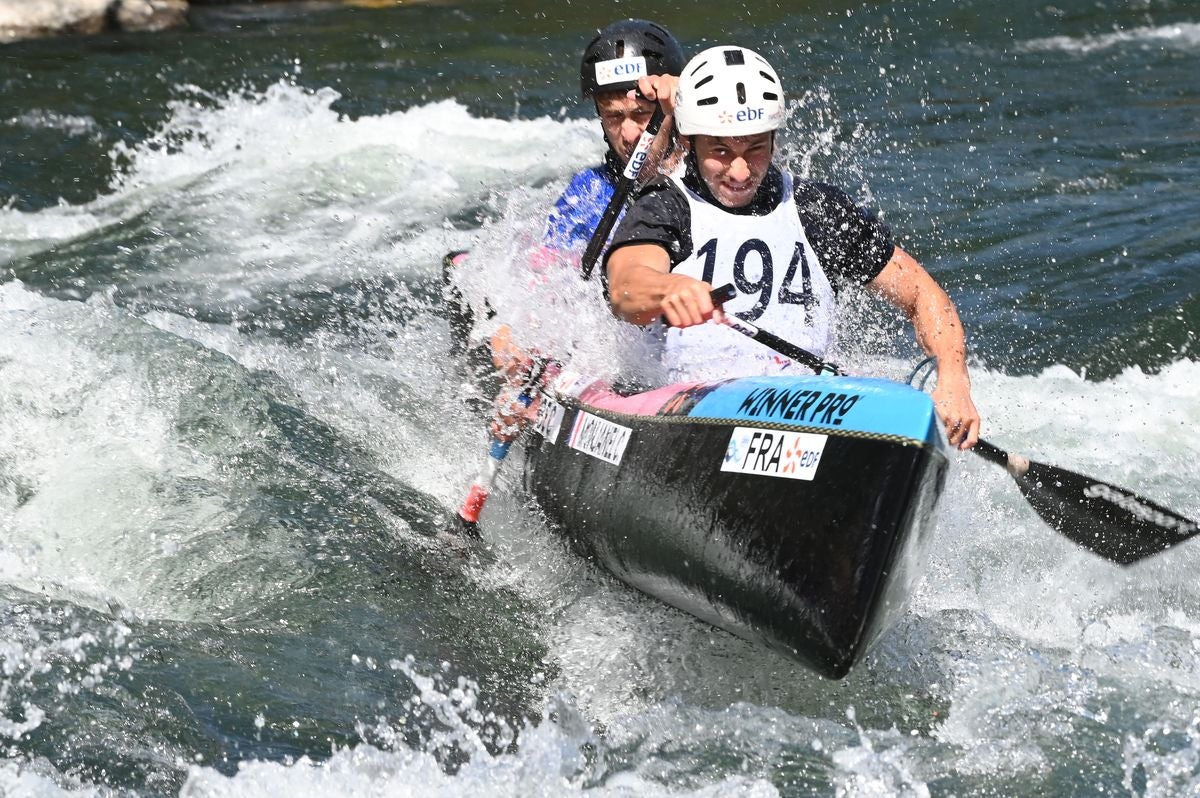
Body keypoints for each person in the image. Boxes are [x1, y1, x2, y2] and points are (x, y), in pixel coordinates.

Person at [604, 46, 981, 449]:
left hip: (798, 410)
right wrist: (668, 289)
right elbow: (625, 288)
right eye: (720, 151)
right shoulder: (665, 204)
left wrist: (954, 379)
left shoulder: (817, 210)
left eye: (755, 148)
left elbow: (922, 294)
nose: (740, 171)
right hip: (688, 414)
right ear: (688, 141)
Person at [456, 19, 687, 439]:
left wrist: (689, 99)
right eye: (614, 116)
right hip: (628, 379)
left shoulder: (717, 168)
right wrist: (517, 349)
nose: (630, 133)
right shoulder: (588, 194)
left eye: (641, 114)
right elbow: (549, 289)